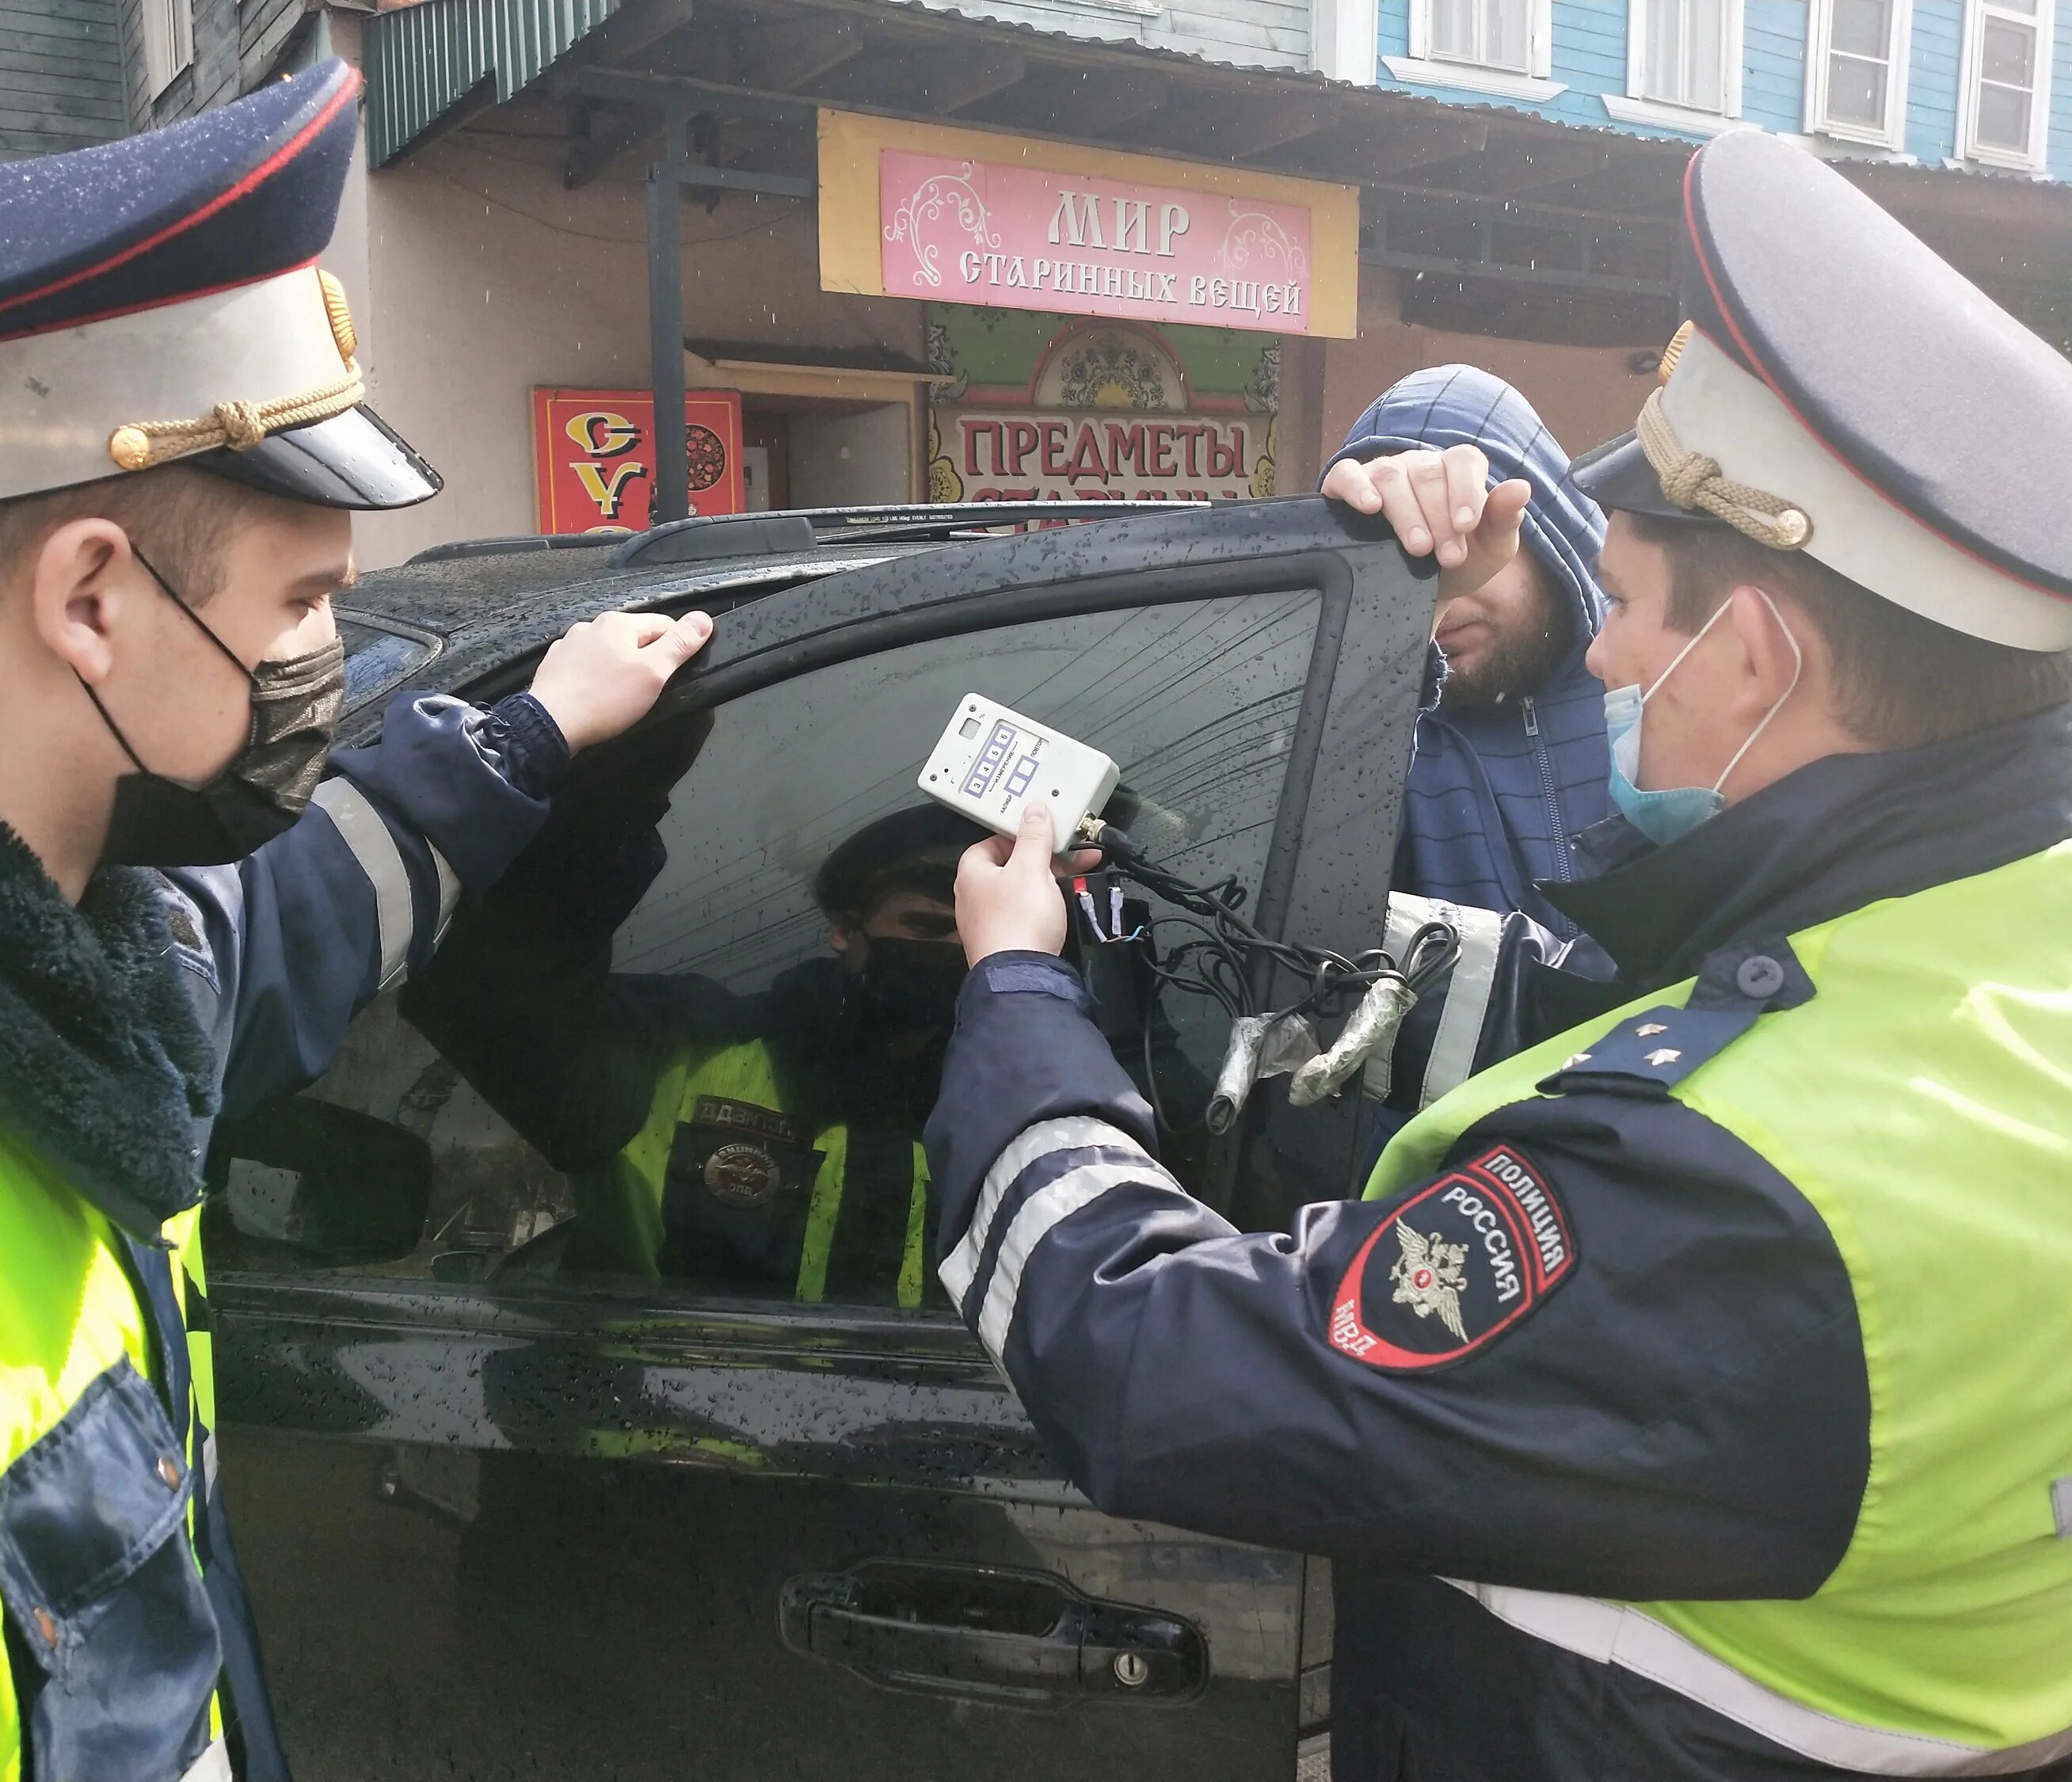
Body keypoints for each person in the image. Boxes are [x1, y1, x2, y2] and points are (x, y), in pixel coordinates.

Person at [924, 125, 2072, 1780]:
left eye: (1632, 608)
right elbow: (1650, 1000)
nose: (1601, 647)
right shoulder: (1990, 944)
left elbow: (1137, 1357)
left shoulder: (1728, 1209)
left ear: (1749, 659)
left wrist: (1018, 988)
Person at [0, 63, 709, 1782]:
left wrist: (539, 735)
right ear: (93, 597)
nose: (328, 657)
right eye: (307, 603)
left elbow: (298, 916)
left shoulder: (39, 936)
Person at [404, 795, 985, 1307]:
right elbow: (490, 993)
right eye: (927, 930)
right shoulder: (678, 1050)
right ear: (845, 930)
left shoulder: (1029, 1110)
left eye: (979, 939)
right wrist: (623, 789)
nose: (953, 958)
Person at [1323, 367, 1611, 935]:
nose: (1442, 600)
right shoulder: (1363, 733)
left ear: (1543, 525)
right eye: (1398, 565)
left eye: (1463, 538)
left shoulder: (1657, 697)